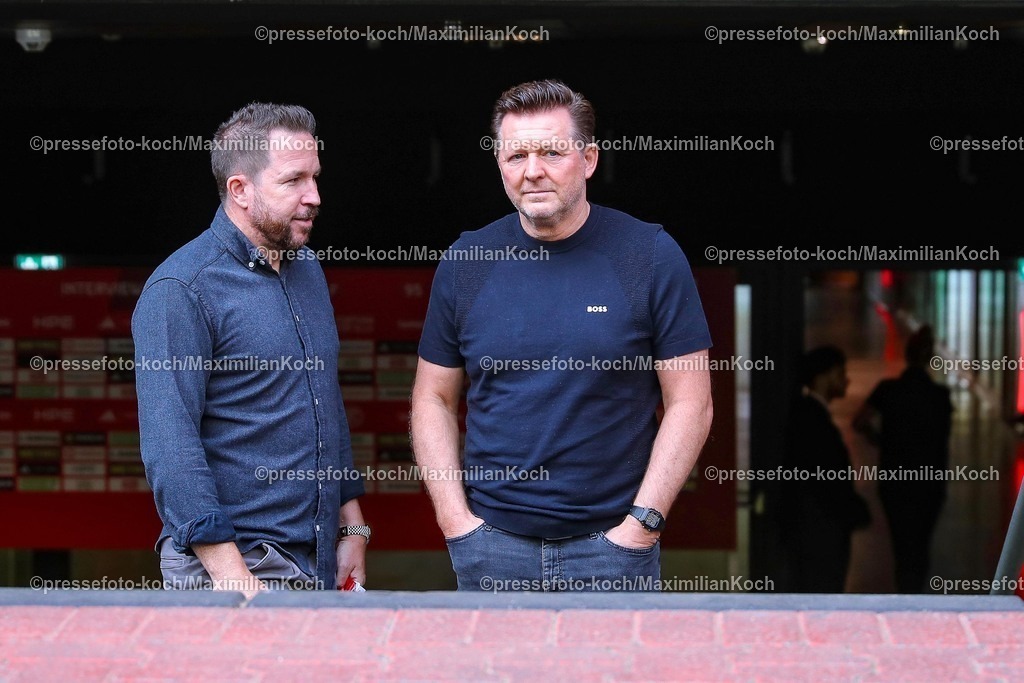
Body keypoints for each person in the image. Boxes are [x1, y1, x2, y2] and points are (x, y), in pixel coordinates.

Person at [410, 79, 714, 592]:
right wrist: (455, 522)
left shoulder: (650, 255)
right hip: (491, 549)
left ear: (589, 159)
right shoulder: (467, 261)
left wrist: (642, 527)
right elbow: (431, 397)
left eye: (552, 152)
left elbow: (691, 402)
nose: (533, 171)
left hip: (614, 550)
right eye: (516, 155)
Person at [132, 102, 368, 597]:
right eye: (293, 181)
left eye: (316, 177)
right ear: (240, 189)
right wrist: (233, 578)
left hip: (317, 559)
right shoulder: (181, 289)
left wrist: (352, 525)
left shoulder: (308, 269)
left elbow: (326, 403)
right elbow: (169, 446)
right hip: (237, 566)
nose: (314, 197)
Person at [853, 325, 953, 593]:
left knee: (901, 541)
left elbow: (860, 421)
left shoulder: (888, 390)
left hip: (895, 479)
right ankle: (916, 593)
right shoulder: (940, 397)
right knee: (921, 544)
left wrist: (881, 441)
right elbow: (942, 441)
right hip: (929, 483)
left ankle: (904, 592)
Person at [780, 345, 871, 593]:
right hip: (819, 536)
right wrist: (853, 510)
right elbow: (825, 483)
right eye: (840, 373)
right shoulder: (813, 422)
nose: (846, 380)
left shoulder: (807, 415)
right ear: (824, 376)